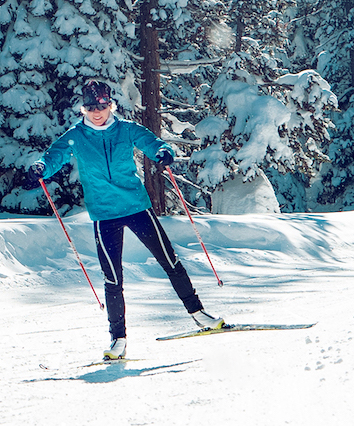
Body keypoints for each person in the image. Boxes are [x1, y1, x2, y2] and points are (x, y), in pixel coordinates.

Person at [25, 79, 223, 361]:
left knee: (169, 260)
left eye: (102, 106)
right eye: (91, 107)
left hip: (135, 207)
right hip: (104, 214)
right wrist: (41, 168)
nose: (97, 112)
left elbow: (151, 142)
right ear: (84, 108)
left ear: (110, 105)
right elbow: (53, 156)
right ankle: (118, 339)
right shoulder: (77, 136)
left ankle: (198, 313)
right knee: (112, 278)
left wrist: (163, 152)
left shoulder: (126, 129)